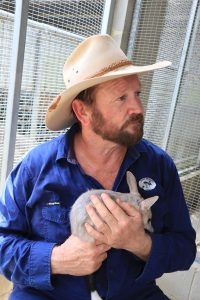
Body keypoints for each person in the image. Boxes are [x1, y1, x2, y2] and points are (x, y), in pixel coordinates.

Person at [0, 34, 196, 300]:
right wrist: (56, 259)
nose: (137, 107)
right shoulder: (36, 168)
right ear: (83, 112)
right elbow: (3, 244)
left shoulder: (159, 166)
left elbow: (185, 250)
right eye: (121, 98)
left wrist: (141, 243)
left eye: (137, 94)